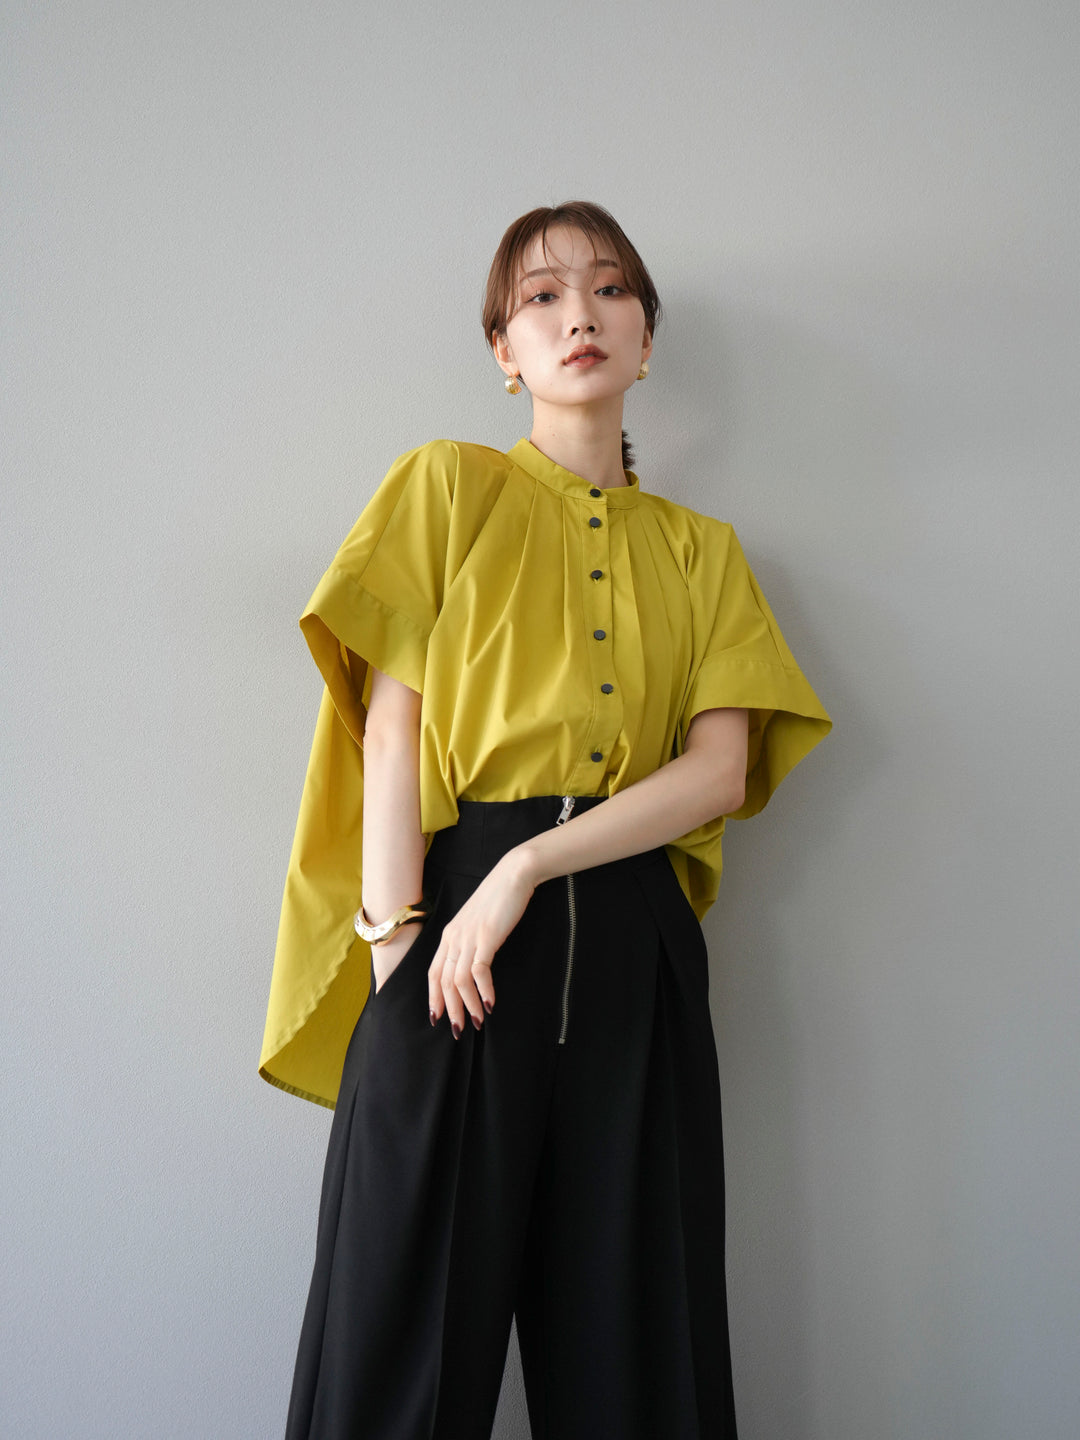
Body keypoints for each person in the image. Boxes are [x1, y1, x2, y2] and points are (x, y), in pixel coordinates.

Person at [260, 200, 832, 1440]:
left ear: (646, 340)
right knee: (394, 1368)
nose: (581, 313)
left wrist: (523, 869)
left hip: (631, 949)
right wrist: (396, 954)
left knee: (642, 1362)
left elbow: (717, 773)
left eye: (611, 289)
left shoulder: (705, 552)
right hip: (446, 951)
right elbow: (392, 732)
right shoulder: (444, 487)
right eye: (541, 296)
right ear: (504, 352)